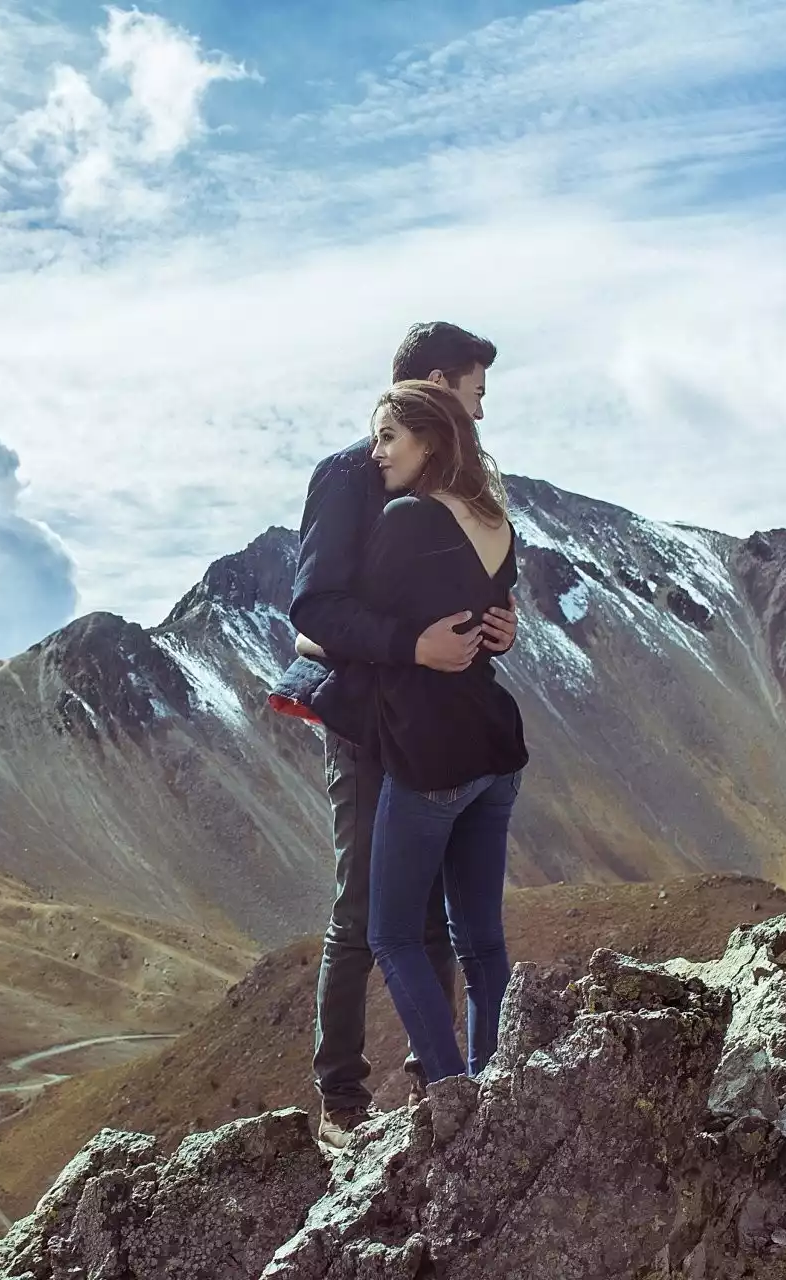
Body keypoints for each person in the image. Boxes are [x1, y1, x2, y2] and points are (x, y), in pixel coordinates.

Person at [269, 322, 516, 1148]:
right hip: (361, 719)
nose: (480, 411)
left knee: (433, 912)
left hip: (430, 723)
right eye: (474, 393)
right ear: (438, 388)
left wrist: (498, 626)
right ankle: (341, 1100)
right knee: (363, 910)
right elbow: (314, 611)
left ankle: (431, 1085)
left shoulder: (460, 491)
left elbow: (459, 599)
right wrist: (411, 645)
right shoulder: (351, 476)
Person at [359, 380, 526, 1084]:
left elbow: (348, 623)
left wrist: (309, 642)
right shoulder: (497, 522)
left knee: (392, 936)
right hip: (495, 750)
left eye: (388, 437)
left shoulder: (409, 520)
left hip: (432, 754)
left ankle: (453, 1091)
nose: (376, 453)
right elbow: (493, 618)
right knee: (482, 941)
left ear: (428, 440)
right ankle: (496, 1089)